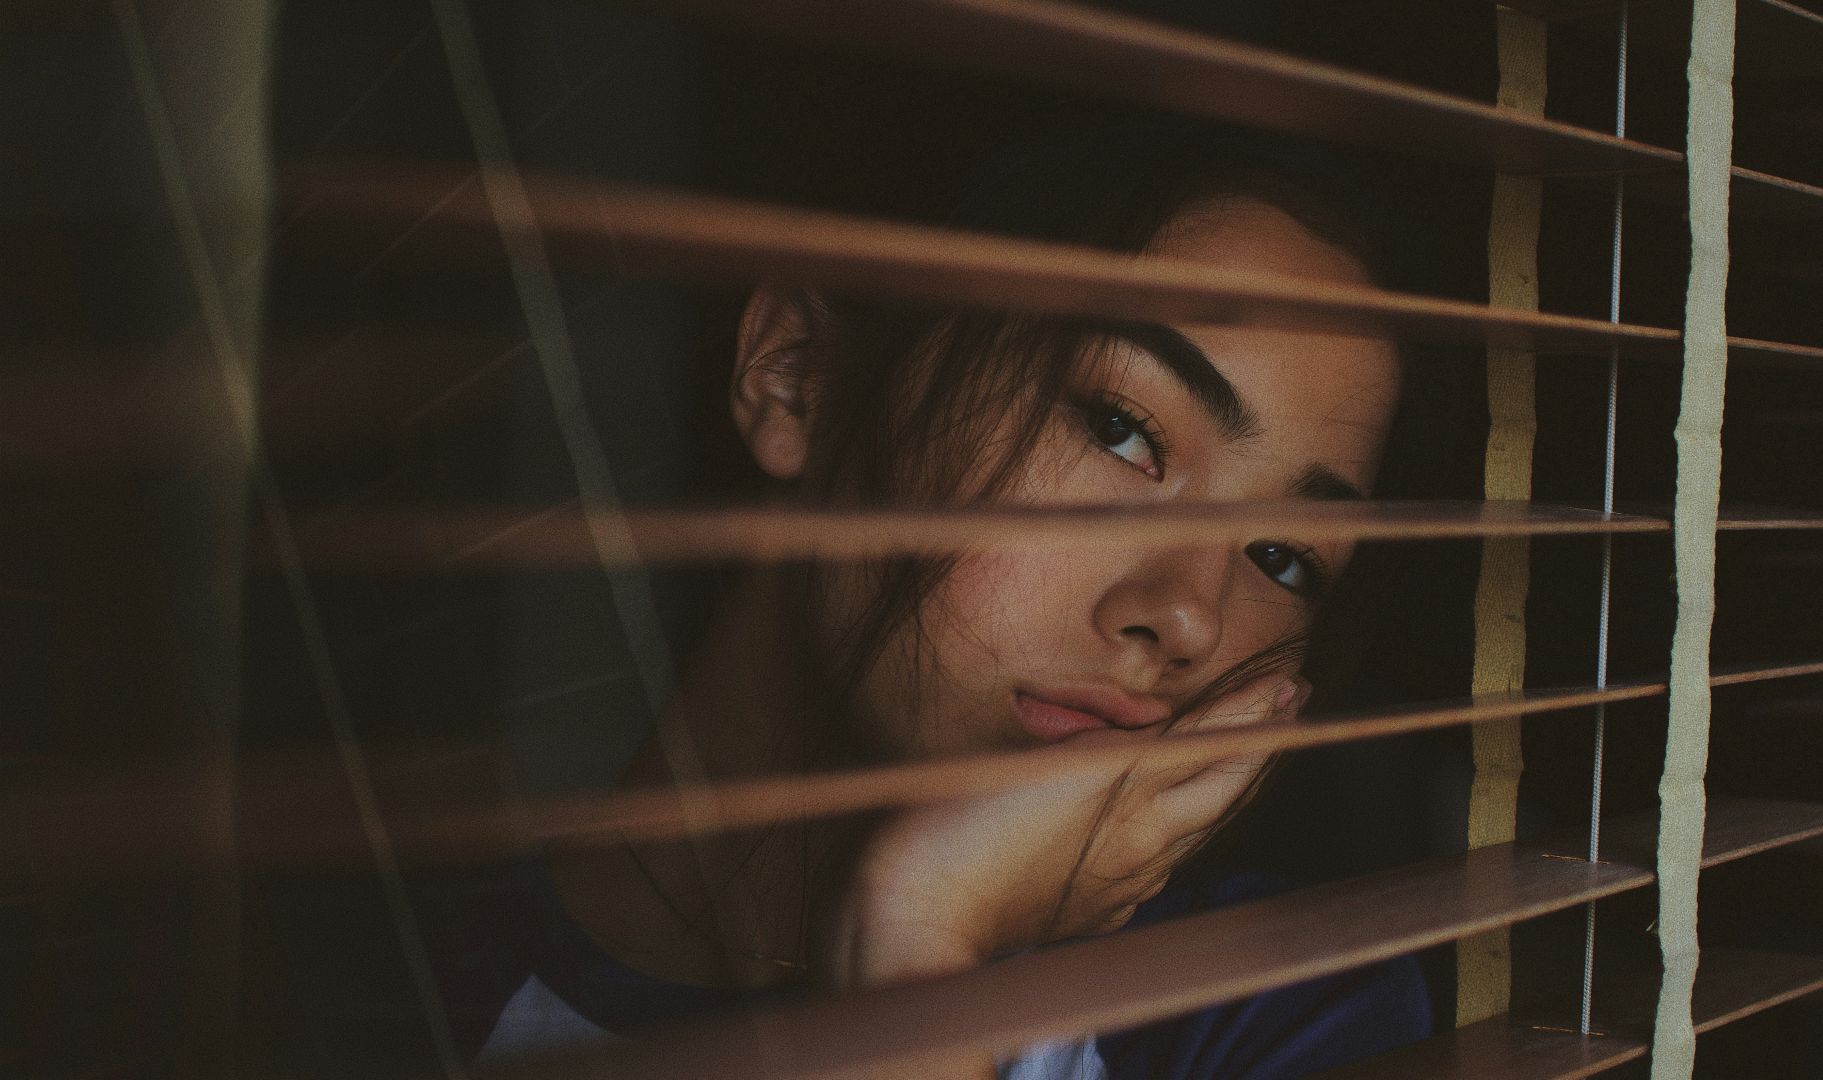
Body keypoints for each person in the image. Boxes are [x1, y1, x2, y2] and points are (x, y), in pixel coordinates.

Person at [476, 128, 1430, 1079]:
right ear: (798, 377)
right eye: (1123, 431)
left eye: (1285, 557)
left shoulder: (1274, 1017)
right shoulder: (395, 965)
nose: (1192, 618)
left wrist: (917, 941)